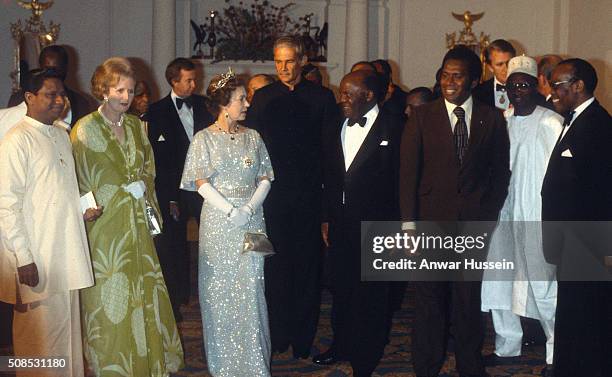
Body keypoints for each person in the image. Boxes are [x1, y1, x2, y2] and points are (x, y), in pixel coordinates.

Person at [399, 46, 510, 377]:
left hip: (472, 226)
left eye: (457, 75)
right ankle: (427, 365)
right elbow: (408, 175)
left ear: (474, 80)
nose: (449, 81)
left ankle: (470, 365)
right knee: (429, 302)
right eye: (445, 74)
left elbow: (499, 173)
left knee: (466, 300)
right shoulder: (422, 116)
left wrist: (486, 216)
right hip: (430, 224)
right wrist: (408, 226)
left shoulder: (490, 118)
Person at [71, 57, 183, 376]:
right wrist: (98, 201)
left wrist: (142, 186)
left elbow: (149, 168)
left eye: (131, 91)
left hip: (136, 223)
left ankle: (144, 363)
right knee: (110, 297)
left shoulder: (136, 125)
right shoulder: (84, 130)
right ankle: (111, 364)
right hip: (105, 226)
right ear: (103, 90)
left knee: (142, 293)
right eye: (119, 90)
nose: (126, 97)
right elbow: (77, 179)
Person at [0, 68, 99, 377]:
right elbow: (7, 204)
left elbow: (55, 193)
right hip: (36, 259)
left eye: (62, 94)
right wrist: (24, 259)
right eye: (50, 94)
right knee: (37, 344)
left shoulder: (58, 134)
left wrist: (81, 210)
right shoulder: (16, 140)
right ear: (29, 97)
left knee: (67, 340)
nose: (59, 100)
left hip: (65, 253)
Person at [246, 35, 338, 359]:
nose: (284, 68)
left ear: (301, 61)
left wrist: (327, 211)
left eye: (289, 61)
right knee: (274, 270)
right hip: (271, 200)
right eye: (278, 61)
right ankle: (277, 334)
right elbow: (251, 150)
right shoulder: (262, 98)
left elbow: (331, 157)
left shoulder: (323, 98)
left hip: (310, 200)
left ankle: (303, 337)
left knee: (307, 271)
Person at [180, 68, 274, 376]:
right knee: (219, 293)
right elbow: (200, 182)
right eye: (241, 99)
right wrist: (231, 210)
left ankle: (255, 365)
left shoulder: (254, 137)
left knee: (253, 288)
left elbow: (266, 178)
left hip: (254, 221)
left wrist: (247, 208)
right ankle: (225, 368)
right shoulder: (203, 139)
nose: (246, 104)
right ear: (223, 104)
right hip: (218, 223)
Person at [315, 70, 403, 376]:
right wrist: (326, 217)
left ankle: (366, 357)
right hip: (340, 225)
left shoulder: (396, 126)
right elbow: (328, 176)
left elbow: (402, 183)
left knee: (372, 296)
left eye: (347, 94)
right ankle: (341, 344)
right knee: (342, 290)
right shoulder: (336, 124)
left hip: (379, 227)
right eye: (341, 93)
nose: (342, 99)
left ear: (368, 96)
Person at [480, 56, 562, 377]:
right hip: (503, 213)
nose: (517, 91)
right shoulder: (501, 120)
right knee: (498, 279)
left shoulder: (550, 122)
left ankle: (558, 351)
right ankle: (506, 345)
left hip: (536, 215)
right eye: (512, 86)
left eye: (524, 85)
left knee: (543, 284)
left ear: (535, 85)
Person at [541, 58, 612, 377]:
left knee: (588, 317)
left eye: (557, 85)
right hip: (571, 241)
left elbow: (604, 191)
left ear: (579, 85)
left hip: (589, 243)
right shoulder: (574, 119)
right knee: (572, 312)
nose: (552, 92)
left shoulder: (599, 125)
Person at [147, 58, 214, 320]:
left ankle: (210, 295)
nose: (194, 84)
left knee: (209, 240)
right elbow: (158, 159)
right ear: (174, 81)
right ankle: (176, 298)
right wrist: (171, 196)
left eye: (195, 79)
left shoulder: (204, 106)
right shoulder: (157, 111)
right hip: (172, 191)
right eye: (188, 80)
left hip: (203, 187)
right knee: (173, 245)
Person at [8, 45, 92, 126]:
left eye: (57, 69)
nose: (53, 74)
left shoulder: (80, 103)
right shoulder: (18, 98)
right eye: (47, 69)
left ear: (66, 69)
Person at [473, 39, 516, 110]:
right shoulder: (477, 94)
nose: (506, 69)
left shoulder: (527, 91)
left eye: (509, 63)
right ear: (490, 67)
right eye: (499, 64)